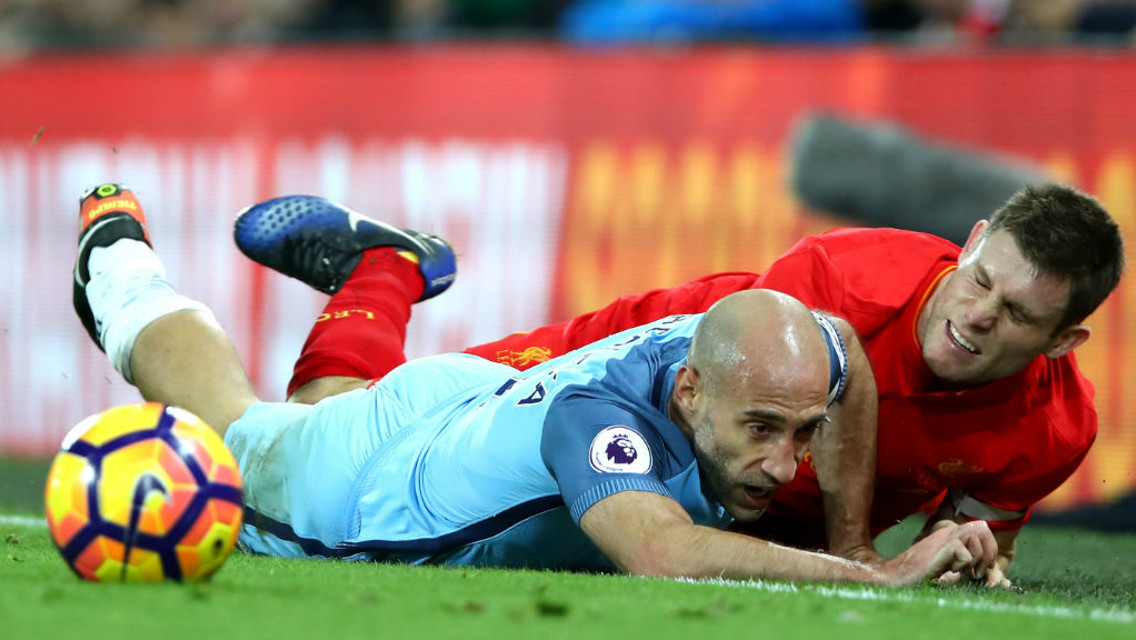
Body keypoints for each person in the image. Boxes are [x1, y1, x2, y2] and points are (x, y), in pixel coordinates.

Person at [72, 183, 997, 585]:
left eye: (799, 431)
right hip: (355, 497)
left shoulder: (759, 350)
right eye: (762, 429)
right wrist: (875, 572)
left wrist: (854, 536)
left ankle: (384, 270)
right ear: (687, 396)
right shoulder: (598, 421)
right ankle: (114, 264)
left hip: (462, 405)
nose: (783, 461)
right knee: (240, 427)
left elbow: (845, 354)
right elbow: (662, 554)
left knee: (326, 408)